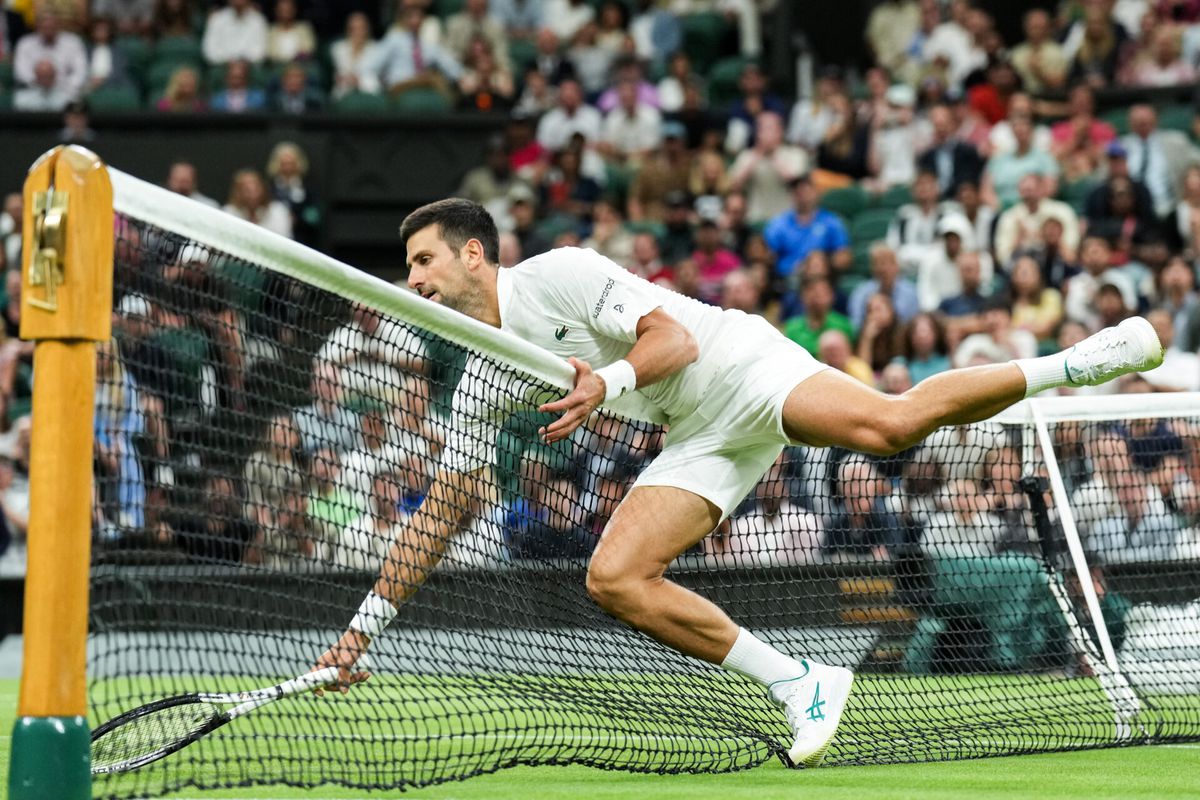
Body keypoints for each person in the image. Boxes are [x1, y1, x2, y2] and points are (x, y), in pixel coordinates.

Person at [312, 197, 1164, 768]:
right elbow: (447, 510)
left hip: (737, 364)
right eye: (409, 268)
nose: (414, 281)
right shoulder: (485, 378)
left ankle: (1078, 361)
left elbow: (673, 343)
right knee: (612, 578)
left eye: (423, 261)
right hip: (695, 431)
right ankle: (800, 680)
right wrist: (361, 632)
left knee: (892, 427)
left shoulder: (557, 274)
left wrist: (602, 384)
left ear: (472, 254)